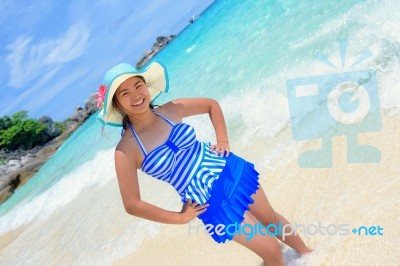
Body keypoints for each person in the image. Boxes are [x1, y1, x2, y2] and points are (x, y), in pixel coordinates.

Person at [97, 61, 312, 265]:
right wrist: (180, 218)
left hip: (229, 169)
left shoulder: (170, 110)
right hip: (208, 202)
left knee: (271, 220)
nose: (136, 95)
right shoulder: (126, 150)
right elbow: (132, 204)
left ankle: (309, 256)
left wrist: (223, 141)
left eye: (138, 86)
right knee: (272, 250)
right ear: (117, 104)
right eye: (125, 93)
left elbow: (211, 105)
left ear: (146, 86)